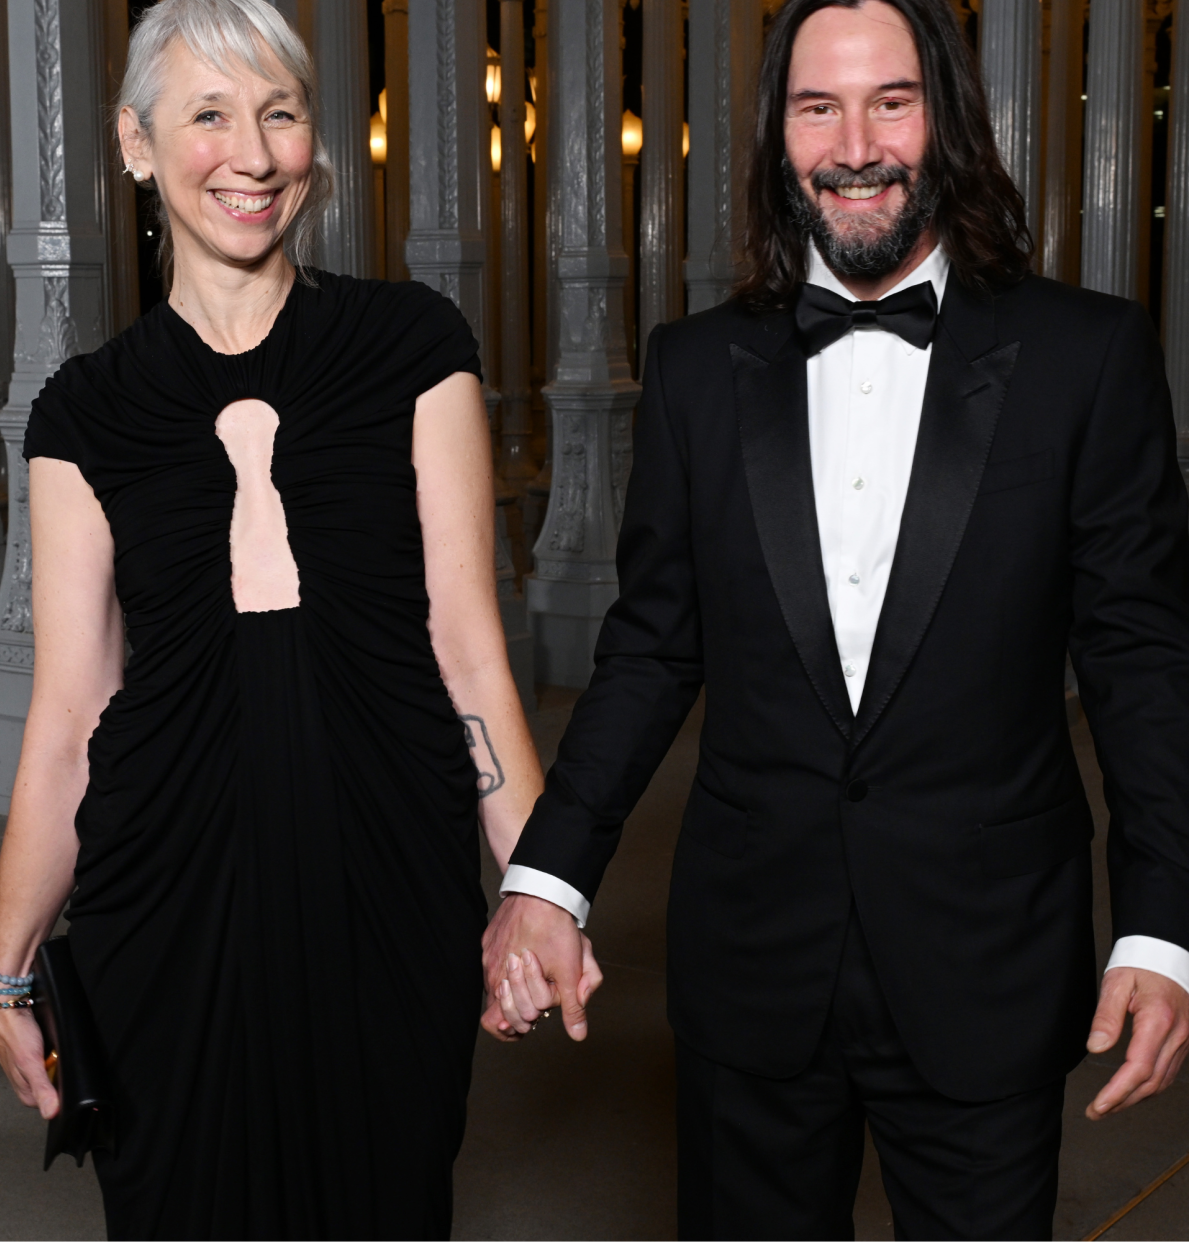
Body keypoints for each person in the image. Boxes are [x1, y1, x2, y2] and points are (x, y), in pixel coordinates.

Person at [482, 0, 1189, 1237]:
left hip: (987, 961)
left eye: (891, 102)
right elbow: (650, 650)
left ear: (949, 125)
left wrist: (1165, 929)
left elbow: (1140, 663)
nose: (854, 143)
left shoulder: (1091, 357)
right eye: (818, 107)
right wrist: (548, 877)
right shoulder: (697, 369)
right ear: (777, 138)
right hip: (753, 965)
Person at [0, 1, 544, 1237]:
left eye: (280, 113)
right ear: (135, 144)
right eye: (210, 115)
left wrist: (543, 888)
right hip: (159, 911)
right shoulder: (84, 415)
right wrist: (5, 970)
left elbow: (468, 651)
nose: (254, 152)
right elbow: (73, 711)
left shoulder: (414, 348)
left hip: (386, 889)